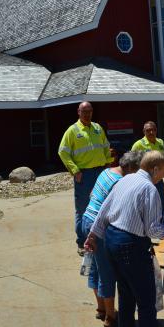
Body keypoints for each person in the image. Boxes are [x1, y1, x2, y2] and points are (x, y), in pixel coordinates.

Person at [85, 151, 164, 327]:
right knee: (145, 303)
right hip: (131, 247)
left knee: (126, 297)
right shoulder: (149, 189)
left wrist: (93, 236)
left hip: (112, 242)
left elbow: (103, 211)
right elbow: (153, 231)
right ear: (154, 169)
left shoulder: (125, 180)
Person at [81, 151, 143, 327]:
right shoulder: (120, 182)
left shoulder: (106, 172)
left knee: (95, 267)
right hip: (99, 228)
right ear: (131, 168)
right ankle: (110, 316)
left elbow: (93, 193)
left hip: (87, 219)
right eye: (138, 170)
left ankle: (101, 308)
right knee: (107, 272)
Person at [58, 101, 114, 256]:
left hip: (101, 172)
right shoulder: (72, 131)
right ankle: (82, 242)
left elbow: (105, 147)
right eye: (84, 111)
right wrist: (75, 170)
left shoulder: (97, 128)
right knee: (83, 209)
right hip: (85, 175)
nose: (87, 114)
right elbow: (63, 152)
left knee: (104, 206)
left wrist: (110, 160)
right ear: (78, 112)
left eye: (89, 111)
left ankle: (100, 238)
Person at [131, 121, 164, 222]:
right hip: (145, 181)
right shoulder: (138, 145)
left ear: (156, 130)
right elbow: (132, 162)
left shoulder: (160, 142)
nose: (151, 132)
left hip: (158, 179)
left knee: (162, 202)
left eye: (153, 130)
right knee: (147, 204)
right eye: (148, 130)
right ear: (144, 131)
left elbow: (162, 159)